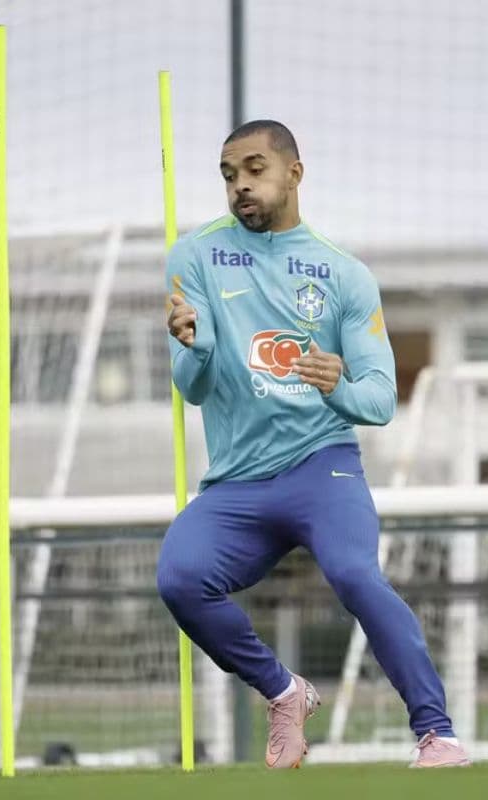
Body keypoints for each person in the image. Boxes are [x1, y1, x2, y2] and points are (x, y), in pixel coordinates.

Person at [156, 120, 469, 769]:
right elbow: (191, 386)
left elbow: (379, 401)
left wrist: (339, 387)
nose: (241, 184)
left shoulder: (342, 272)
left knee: (356, 575)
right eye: (228, 174)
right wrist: (197, 346)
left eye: (254, 168)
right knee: (181, 579)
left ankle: (437, 734)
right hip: (239, 480)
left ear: (294, 173)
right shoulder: (194, 257)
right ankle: (283, 691)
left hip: (320, 466)